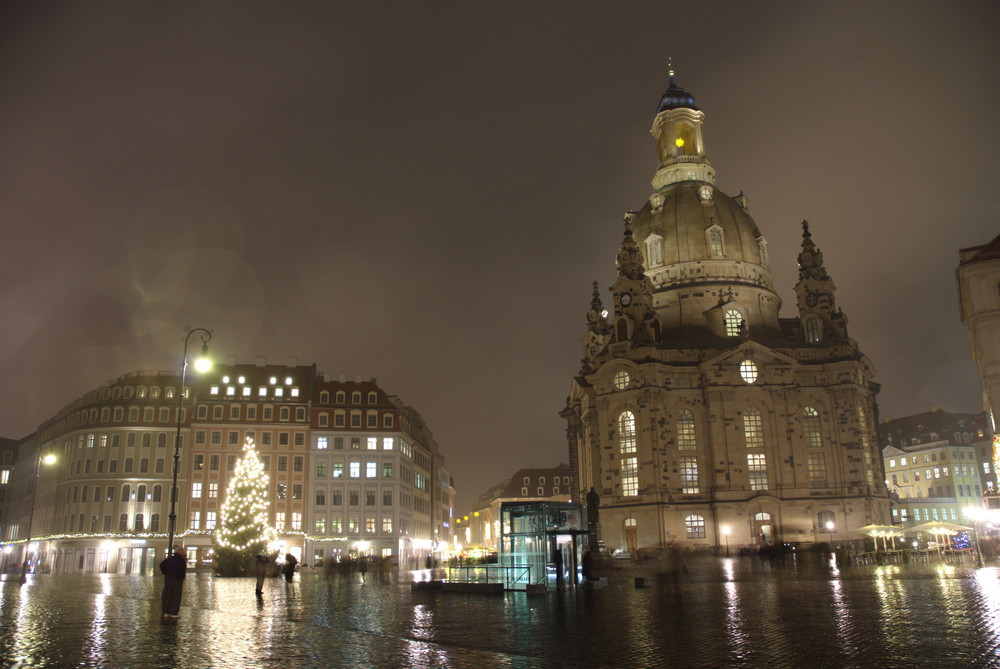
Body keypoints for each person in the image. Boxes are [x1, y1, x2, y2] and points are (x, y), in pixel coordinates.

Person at [159, 546, 187, 619]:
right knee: (176, 596)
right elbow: (182, 570)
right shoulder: (181, 560)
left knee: (169, 595)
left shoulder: (170, 559)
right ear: (180, 551)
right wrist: (181, 577)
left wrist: (165, 572)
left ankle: (167, 612)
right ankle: (174, 613)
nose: (184, 552)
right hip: (177, 580)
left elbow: (162, 565)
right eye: (183, 551)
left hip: (169, 579)